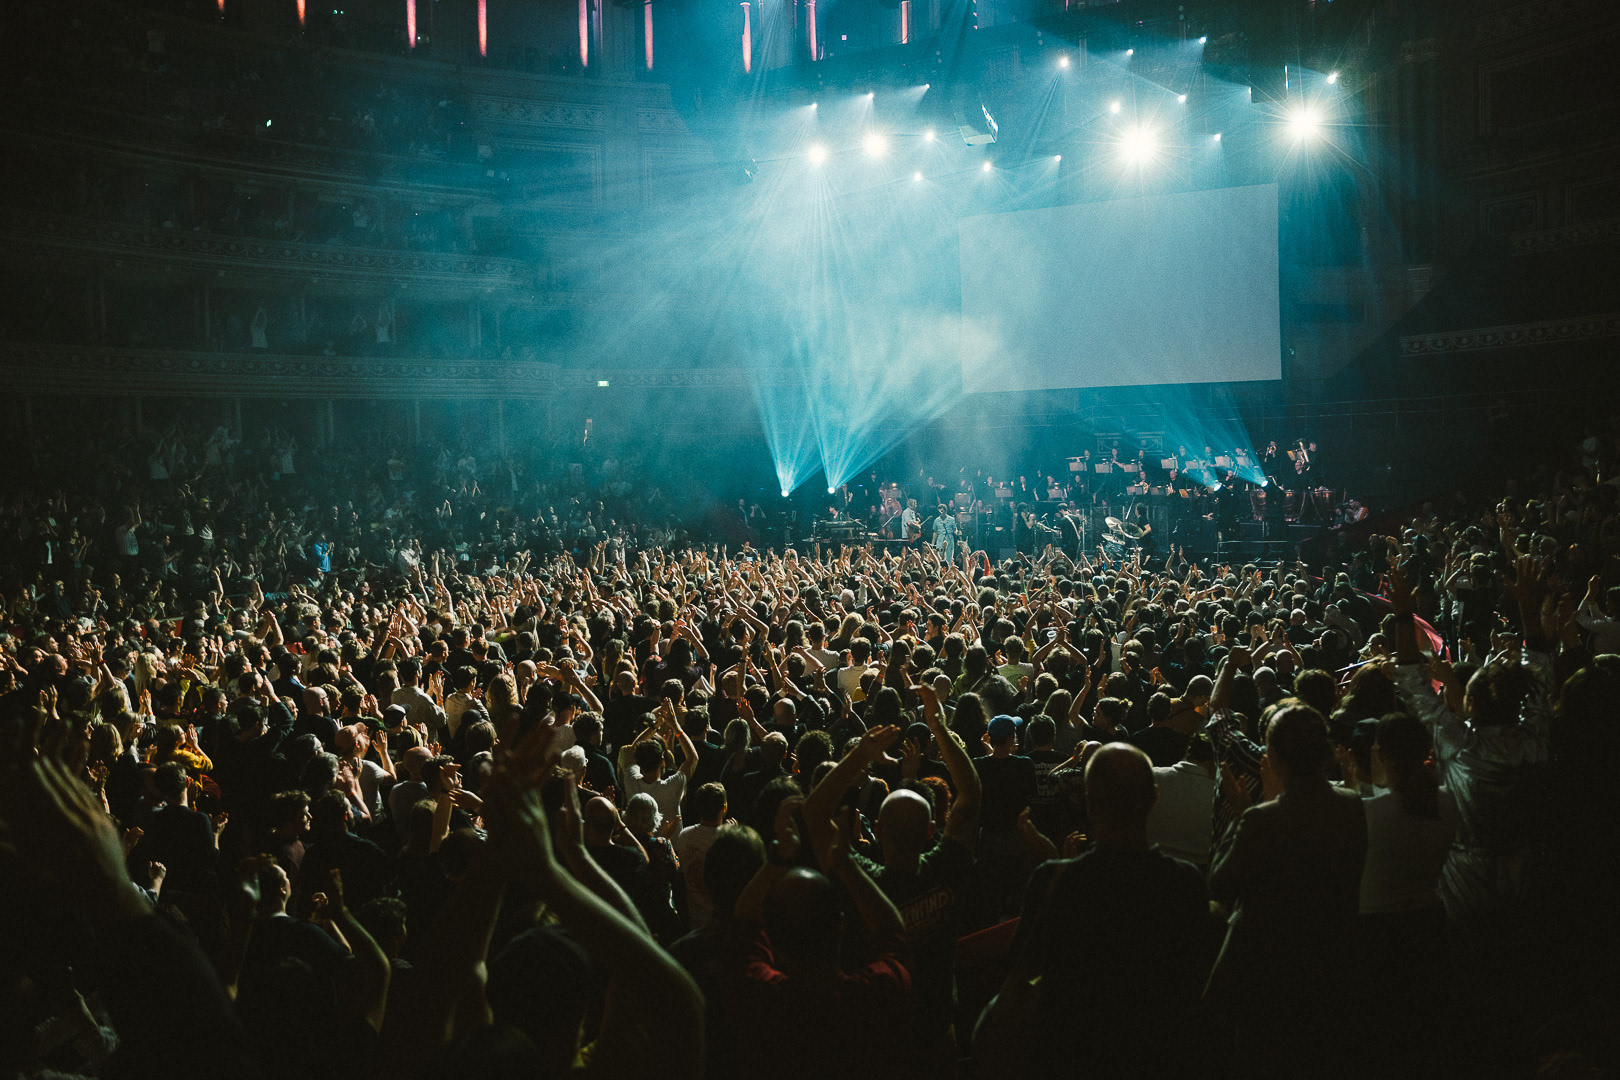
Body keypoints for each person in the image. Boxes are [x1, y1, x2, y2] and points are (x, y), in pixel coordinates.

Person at [1002, 743, 1210, 1079]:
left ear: (1090, 802)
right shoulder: (1186, 884)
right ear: (1154, 798)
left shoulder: (1054, 881)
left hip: (1070, 1058)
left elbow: (1021, 971)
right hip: (1156, 1058)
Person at [1206, 687, 1368, 1079]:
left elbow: (1220, 885)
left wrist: (1247, 810)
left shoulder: (1263, 820)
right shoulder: (1352, 805)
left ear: (1275, 757)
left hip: (1268, 971)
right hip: (1331, 959)